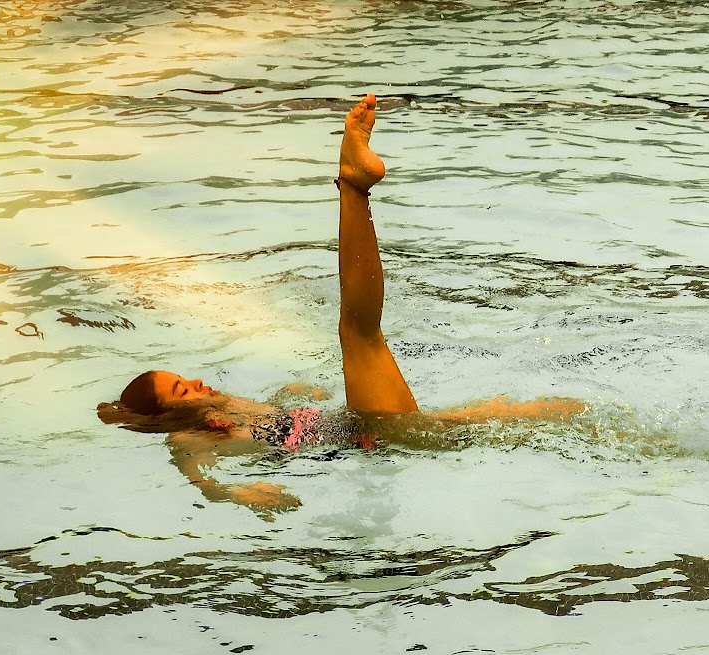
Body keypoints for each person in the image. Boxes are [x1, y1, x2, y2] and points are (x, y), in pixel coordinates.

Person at [99, 94, 584, 515]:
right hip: (370, 439)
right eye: (182, 390)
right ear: (168, 415)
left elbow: (288, 423)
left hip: (366, 427)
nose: (198, 383)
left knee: (540, 415)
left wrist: (295, 394)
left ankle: (353, 187)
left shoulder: (228, 407)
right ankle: (352, 187)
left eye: (185, 378)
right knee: (359, 332)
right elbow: (200, 479)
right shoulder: (190, 436)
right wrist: (238, 494)